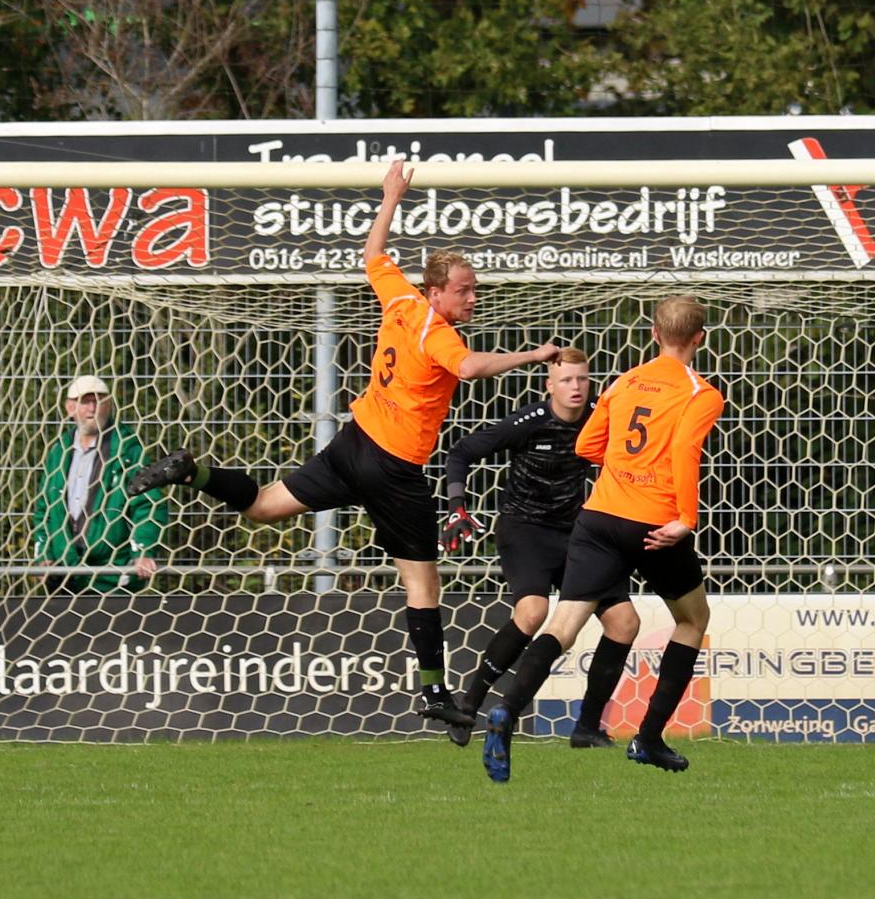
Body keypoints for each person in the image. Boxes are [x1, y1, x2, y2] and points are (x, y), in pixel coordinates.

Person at [128, 160, 560, 721]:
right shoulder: (439, 333)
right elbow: (472, 367)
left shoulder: (401, 300)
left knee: (263, 506)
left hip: (353, 444)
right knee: (423, 584)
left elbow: (373, 255)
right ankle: (435, 695)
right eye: (463, 290)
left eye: (474, 289)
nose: (472, 298)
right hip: (392, 467)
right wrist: (533, 354)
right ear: (436, 292)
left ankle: (194, 473)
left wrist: (390, 196)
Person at [478, 296, 725, 783]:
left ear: (653, 334)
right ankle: (650, 738)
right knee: (693, 620)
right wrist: (685, 519)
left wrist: (623, 472)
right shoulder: (701, 393)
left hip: (599, 516)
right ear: (699, 338)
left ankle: (506, 708)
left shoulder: (623, 382)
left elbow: (589, 445)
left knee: (564, 623)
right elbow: (683, 451)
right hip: (654, 524)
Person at [440, 347, 641, 749]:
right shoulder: (529, 421)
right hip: (525, 530)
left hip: (578, 535)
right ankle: (470, 703)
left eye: (582, 379)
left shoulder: (599, 420)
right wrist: (456, 507)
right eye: (566, 380)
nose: (576, 387)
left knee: (624, 623)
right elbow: (461, 452)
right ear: (549, 385)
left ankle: (587, 727)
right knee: (533, 612)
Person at [34, 375, 168, 593]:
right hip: (64, 575)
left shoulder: (127, 449)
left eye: (100, 400)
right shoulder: (58, 452)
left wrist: (142, 552)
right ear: (70, 408)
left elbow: (148, 504)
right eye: (85, 401)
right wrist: (43, 556)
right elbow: (44, 510)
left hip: (113, 575)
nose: (93, 408)